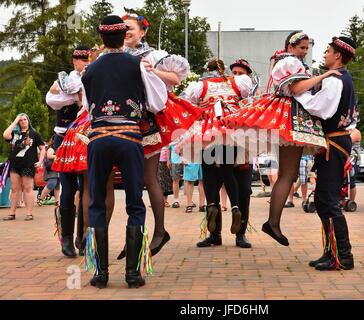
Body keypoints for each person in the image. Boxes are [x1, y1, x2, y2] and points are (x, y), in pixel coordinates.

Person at [225, 32, 338, 246]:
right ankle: (273, 222)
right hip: (290, 116)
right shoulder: (288, 62)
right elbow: (296, 89)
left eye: (307, 48)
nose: (305, 51)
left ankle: (274, 222)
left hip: (291, 116)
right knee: (288, 173)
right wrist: (324, 76)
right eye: (301, 47)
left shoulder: (290, 62)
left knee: (289, 173)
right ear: (290, 46)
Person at [82, 15, 167, 289]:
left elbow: (87, 107)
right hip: (130, 137)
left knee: (97, 201)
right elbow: (157, 102)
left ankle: (100, 273)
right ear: (122, 37)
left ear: (102, 39)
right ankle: (132, 273)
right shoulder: (138, 65)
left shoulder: (90, 70)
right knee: (134, 202)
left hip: (97, 139)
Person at [115, 13, 201, 260]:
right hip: (119, 120)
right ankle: (134, 236)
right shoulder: (113, 55)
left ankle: (160, 230)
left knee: (147, 177)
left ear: (143, 32)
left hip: (144, 121)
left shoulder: (152, 55)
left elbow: (175, 79)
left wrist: (152, 71)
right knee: (128, 180)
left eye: (130, 28)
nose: (127, 32)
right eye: (123, 29)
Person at [297, 36, 359, 271]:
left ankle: (344, 256)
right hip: (334, 142)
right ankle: (331, 251)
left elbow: (319, 108)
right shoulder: (341, 78)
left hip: (334, 143)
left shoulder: (335, 79)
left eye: (328, 50)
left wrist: (297, 93)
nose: (324, 53)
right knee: (324, 200)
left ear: (338, 56)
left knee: (328, 201)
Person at [183, 58, 253, 247]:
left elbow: (188, 104)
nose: (237, 76)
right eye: (235, 72)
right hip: (233, 136)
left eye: (241, 73)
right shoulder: (239, 86)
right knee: (213, 184)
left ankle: (236, 233)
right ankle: (219, 232)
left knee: (240, 188)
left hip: (212, 137)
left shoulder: (201, 85)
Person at [46, 45, 90, 257]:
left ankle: (82, 237)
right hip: (64, 138)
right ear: (74, 61)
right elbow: (52, 100)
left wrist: (80, 94)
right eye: (81, 59)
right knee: (68, 187)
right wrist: (74, 95)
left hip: (86, 137)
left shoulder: (93, 76)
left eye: (87, 58)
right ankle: (66, 239)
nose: (84, 62)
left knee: (87, 188)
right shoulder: (65, 79)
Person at [3, 113, 45, 221]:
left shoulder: (34, 134)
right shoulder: (14, 133)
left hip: (28, 164)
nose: (23, 121)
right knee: (14, 188)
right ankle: (12, 213)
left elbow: (43, 148)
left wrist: (40, 161)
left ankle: (29, 213)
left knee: (28, 188)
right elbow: (5, 135)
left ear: (28, 121)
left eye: (24, 119)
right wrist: (15, 121)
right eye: (20, 120)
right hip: (14, 164)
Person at [37, 135, 60, 207]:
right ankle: (41, 198)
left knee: (57, 186)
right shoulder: (52, 148)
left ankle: (57, 201)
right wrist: (59, 156)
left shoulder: (59, 148)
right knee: (52, 184)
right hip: (51, 169)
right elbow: (49, 156)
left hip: (57, 169)